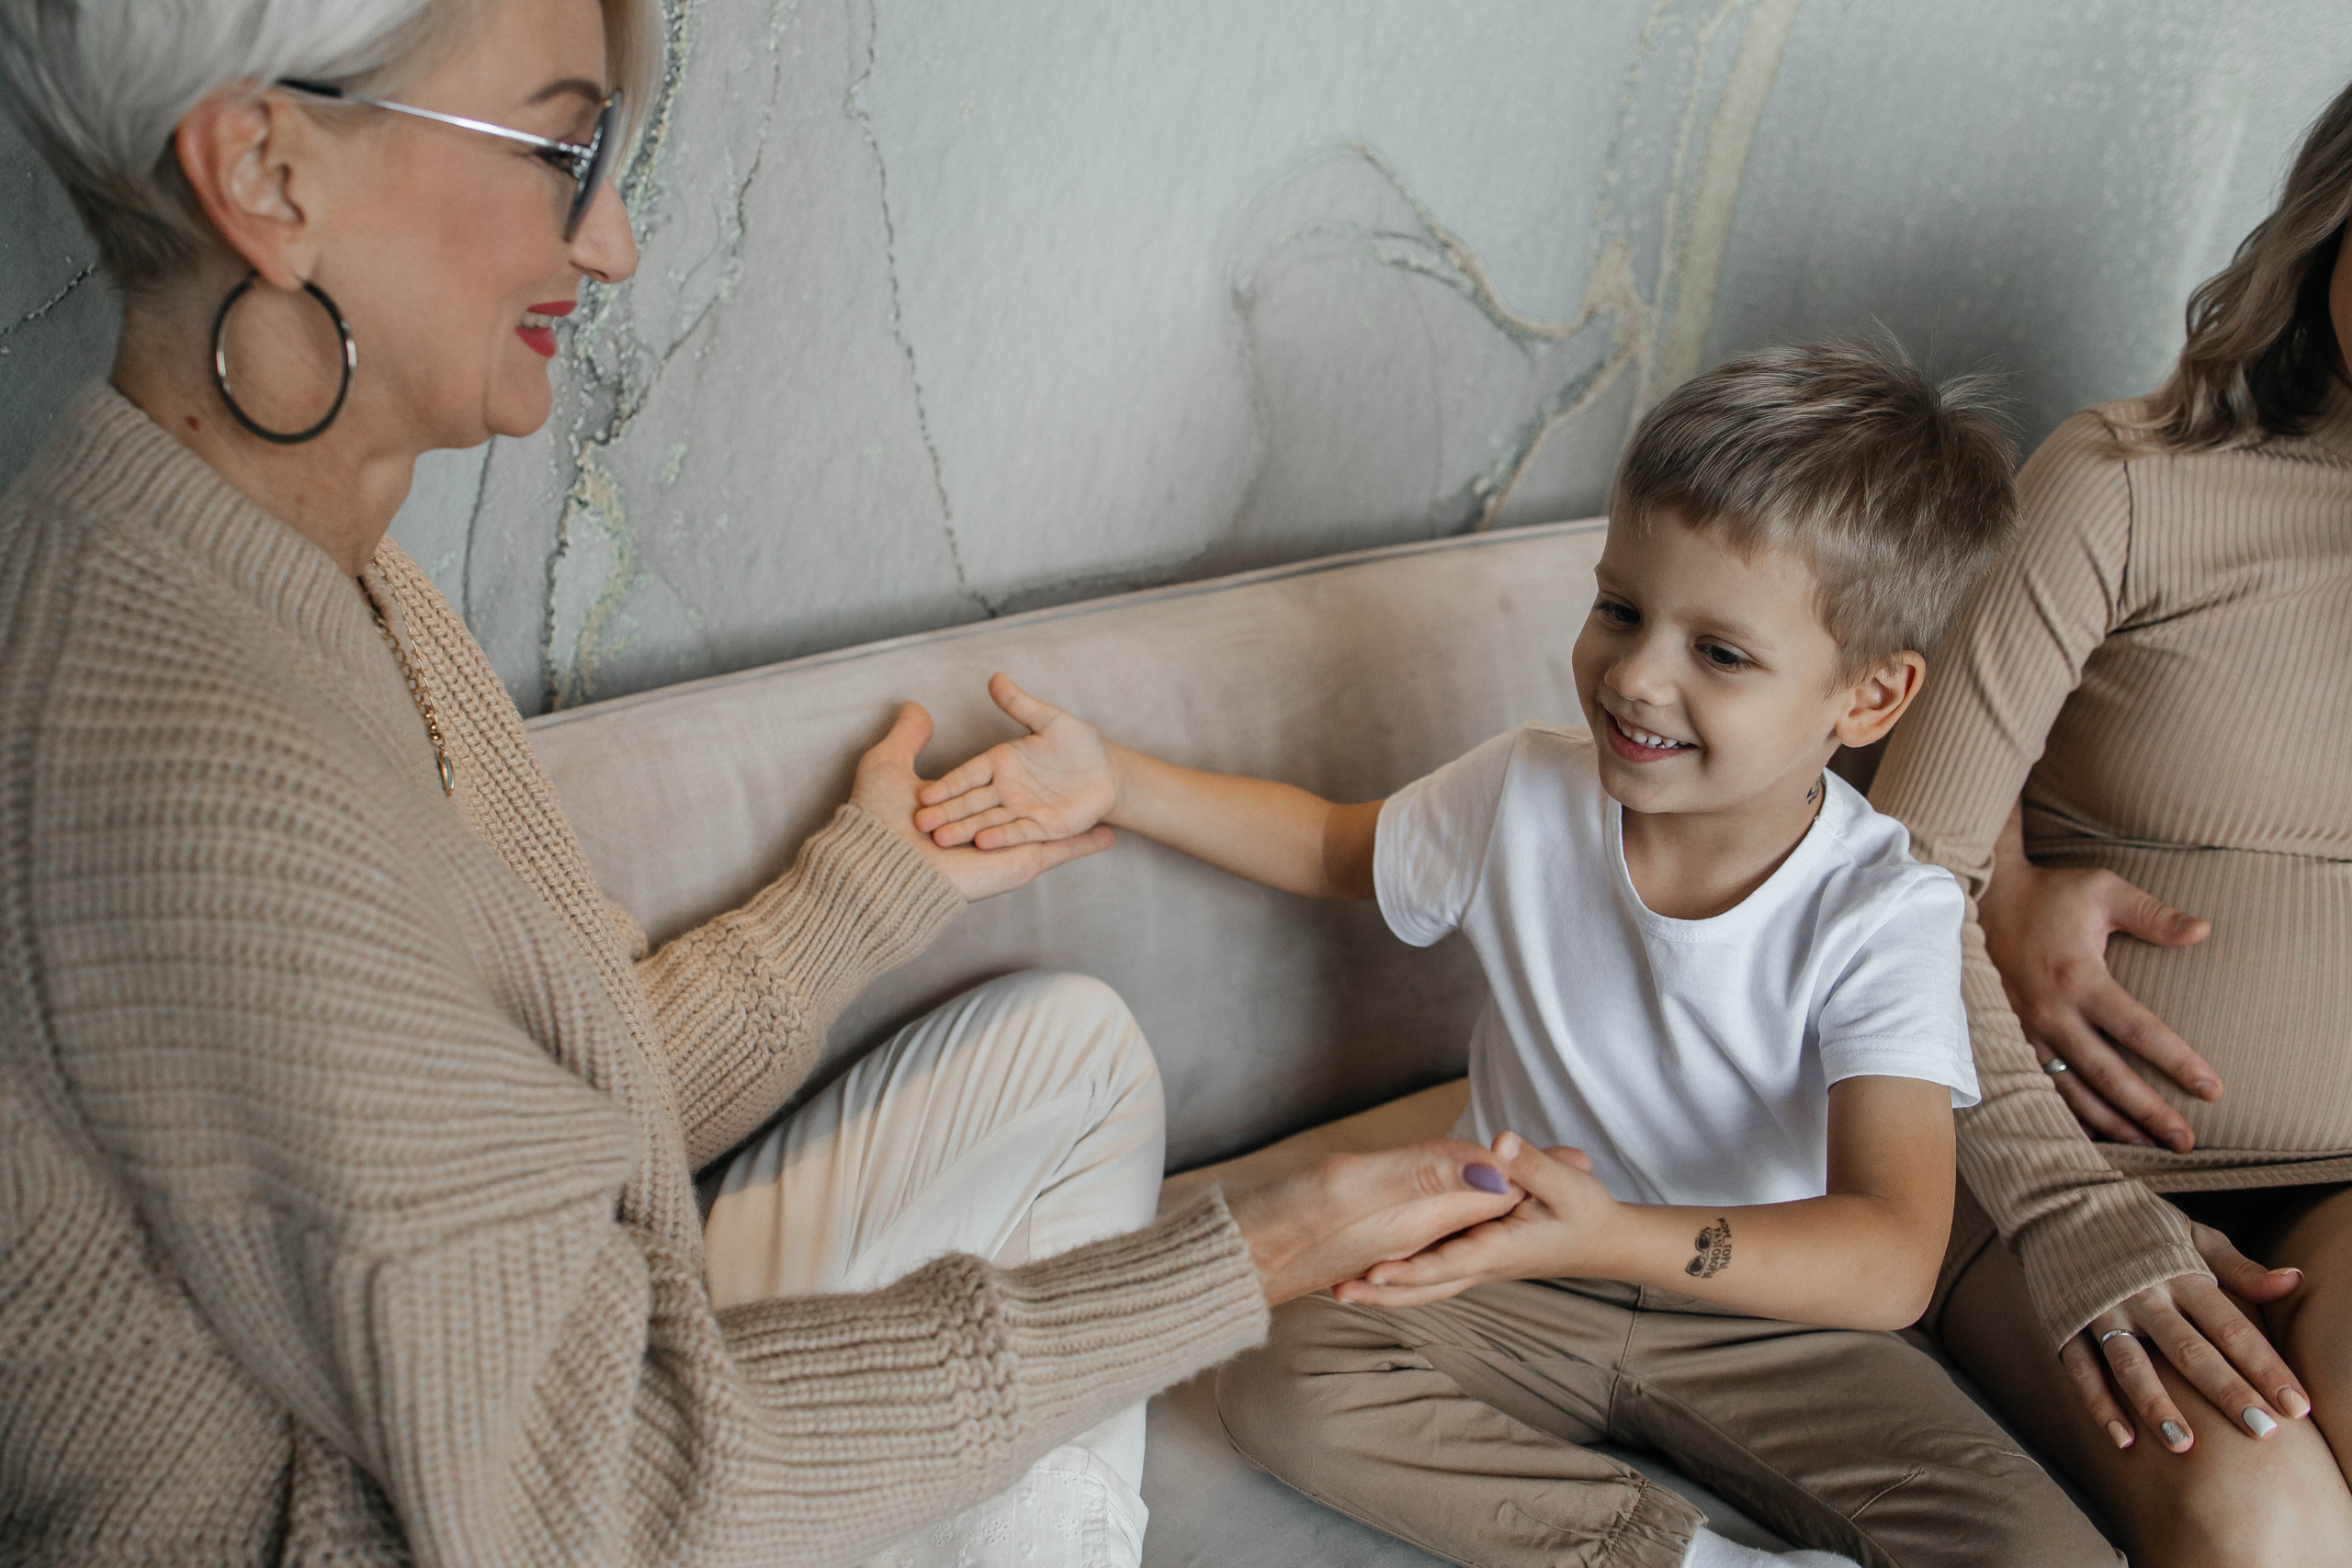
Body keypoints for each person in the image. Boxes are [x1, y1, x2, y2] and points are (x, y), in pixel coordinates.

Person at [0, 3, 1529, 1564]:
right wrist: (1244, 1253)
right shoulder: (199, 784)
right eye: (562, 152)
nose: (611, 247)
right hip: (492, 1515)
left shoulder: (315, 570)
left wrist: (866, 891)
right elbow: (604, 1497)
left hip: (535, 1417)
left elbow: (531, 1122)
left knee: (1058, 1049)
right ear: (265, 172)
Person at [911, 341, 2119, 1567]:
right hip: (1516, 1276)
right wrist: (1119, 779)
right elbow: (1336, 849)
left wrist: (1612, 1233)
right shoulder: (1526, 795)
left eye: (1720, 654)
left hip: (1761, 1320)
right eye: (1620, 609)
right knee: (1295, 1378)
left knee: (2046, 1558)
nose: (1635, 678)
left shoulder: (1882, 911)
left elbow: (1893, 1256)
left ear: (1867, 699)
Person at [1869, 75, 2352, 1567]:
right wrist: (2068, 1202)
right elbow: (1896, 878)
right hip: (2051, 1164)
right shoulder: (2130, 484)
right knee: (2259, 1522)